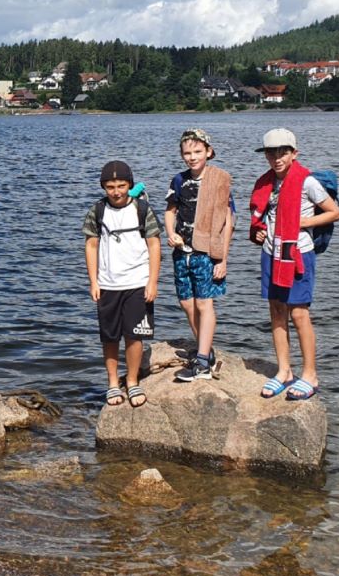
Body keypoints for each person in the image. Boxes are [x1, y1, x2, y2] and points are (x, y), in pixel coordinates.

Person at [249, 128, 339, 402]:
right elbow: (261, 217)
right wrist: (258, 232)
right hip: (271, 252)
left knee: (299, 314)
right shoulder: (264, 183)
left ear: (294, 153)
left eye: (283, 152)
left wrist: (301, 223)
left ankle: (310, 374)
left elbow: (335, 212)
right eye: (271, 153)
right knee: (277, 311)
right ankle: (284, 371)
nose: (277, 158)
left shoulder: (307, 181)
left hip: (299, 253)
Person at [82, 159, 160, 407]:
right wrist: (93, 281)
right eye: (110, 186)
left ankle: (133, 381)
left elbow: (154, 244)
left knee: (135, 336)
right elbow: (91, 245)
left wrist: (152, 281)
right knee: (110, 337)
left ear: (130, 185)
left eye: (121, 185)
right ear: (104, 187)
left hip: (137, 282)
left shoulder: (142, 209)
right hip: (108, 284)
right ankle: (113, 383)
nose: (116, 191)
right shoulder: (97, 211)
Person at [163, 129, 234, 382]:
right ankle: (206, 350)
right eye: (187, 153)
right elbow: (171, 211)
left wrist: (222, 259)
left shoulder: (220, 180)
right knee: (186, 302)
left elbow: (228, 221)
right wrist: (170, 233)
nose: (192, 157)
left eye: (197, 152)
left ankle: (202, 361)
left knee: (205, 303)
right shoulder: (178, 181)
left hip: (207, 251)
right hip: (182, 251)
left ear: (208, 152)